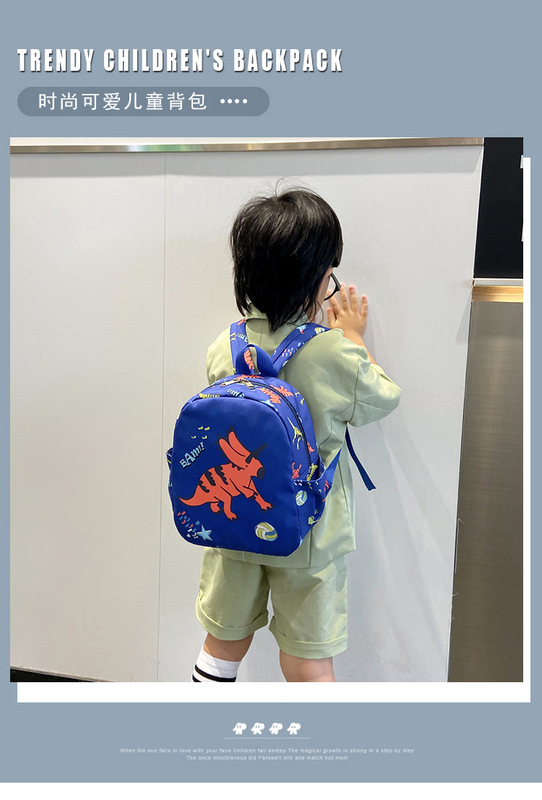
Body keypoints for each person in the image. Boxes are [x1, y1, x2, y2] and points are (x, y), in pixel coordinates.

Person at [191, 188, 401, 683]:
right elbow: (384, 397)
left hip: (233, 517)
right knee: (308, 657)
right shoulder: (332, 352)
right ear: (316, 278)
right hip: (309, 529)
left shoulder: (225, 344)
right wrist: (353, 337)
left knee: (223, 640)